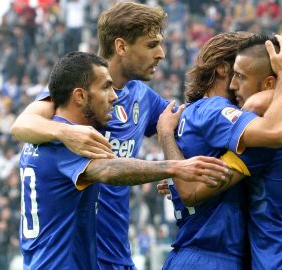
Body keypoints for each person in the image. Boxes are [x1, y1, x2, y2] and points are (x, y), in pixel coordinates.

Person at [19, 51, 229, 269]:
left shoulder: (44, 133)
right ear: (80, 96)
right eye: (105, 88)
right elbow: (109, 170)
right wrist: (176, 167)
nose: (114, 96)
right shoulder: (68, 140)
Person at [11, 3, 170, 269]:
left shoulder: (142, 96)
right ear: (121, 46)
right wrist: (67, 133)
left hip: (117, 256)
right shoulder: (78, 92)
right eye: (151, 45)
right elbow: (21, 124)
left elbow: (182, 123)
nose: (161, 54)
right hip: (80, 257)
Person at [156, 32, 282, 269]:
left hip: (189, 252)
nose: (236, 84)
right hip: (214, 257)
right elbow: (276, 132)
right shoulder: (216, 110)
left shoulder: (194, 112)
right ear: (225, 69)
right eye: (238, 73)